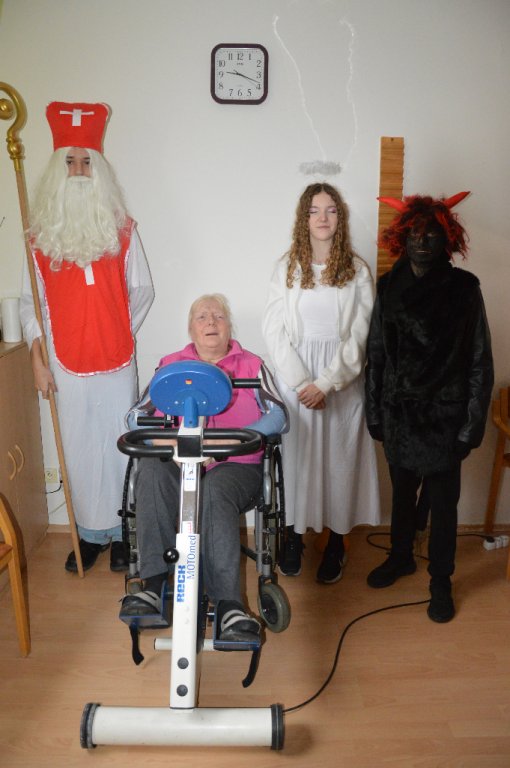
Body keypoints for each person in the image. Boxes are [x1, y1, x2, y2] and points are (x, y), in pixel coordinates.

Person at [20, 102, 154, 573]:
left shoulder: (122, 231)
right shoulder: (39, 238)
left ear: (99, 169)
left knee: (119, 446)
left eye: (86, 162)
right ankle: (90, 536)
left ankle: (123, 533)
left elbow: (142, 290)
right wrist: (38, 360)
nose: (78, 171)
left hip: (116, 360)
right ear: (57, 170)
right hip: (64, 363)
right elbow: (30, 304)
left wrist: (117, 329)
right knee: (78, 450)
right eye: (70, 162)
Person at [121, 294, 288, 642]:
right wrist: (164, 443)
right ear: (191, 329)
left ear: (229, 327)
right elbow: (136, 416)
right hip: (178, 462)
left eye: (218, 316)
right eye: (202, 317)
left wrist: (235, 440)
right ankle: (153, 587)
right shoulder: (170, 365)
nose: (211, 322)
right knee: (150, 470)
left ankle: (229, 607)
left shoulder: (251, 365)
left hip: (235, 466)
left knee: (214, 490)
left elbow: (278, 415)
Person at [365, 192, 494, 622]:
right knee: (403, 496)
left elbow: (480, 361)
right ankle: (401, 556)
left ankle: (441, 580)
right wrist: (374, 411)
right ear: (403, 238)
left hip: (444, 420)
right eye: (415, 234)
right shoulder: (388, 287)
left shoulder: (465, 289)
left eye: (432, 235)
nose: (422, 242)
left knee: (443, 507)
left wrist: (470, 426)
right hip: (400, 415)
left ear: (447, 239)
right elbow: (376, 355)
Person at [262, 182, 380, 584]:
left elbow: (361, 335)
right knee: (298, 462)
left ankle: (336, 544)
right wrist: (301, 383)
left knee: (340, 464)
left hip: (340, 381)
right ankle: (294, 537)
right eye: (315, 211)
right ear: (304, 218)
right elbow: (274, 329)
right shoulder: (286, 267)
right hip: (297, 380)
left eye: (331, 210)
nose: (323, 218)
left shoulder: (357, 270)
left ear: (339, 217)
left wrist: (327, 383)